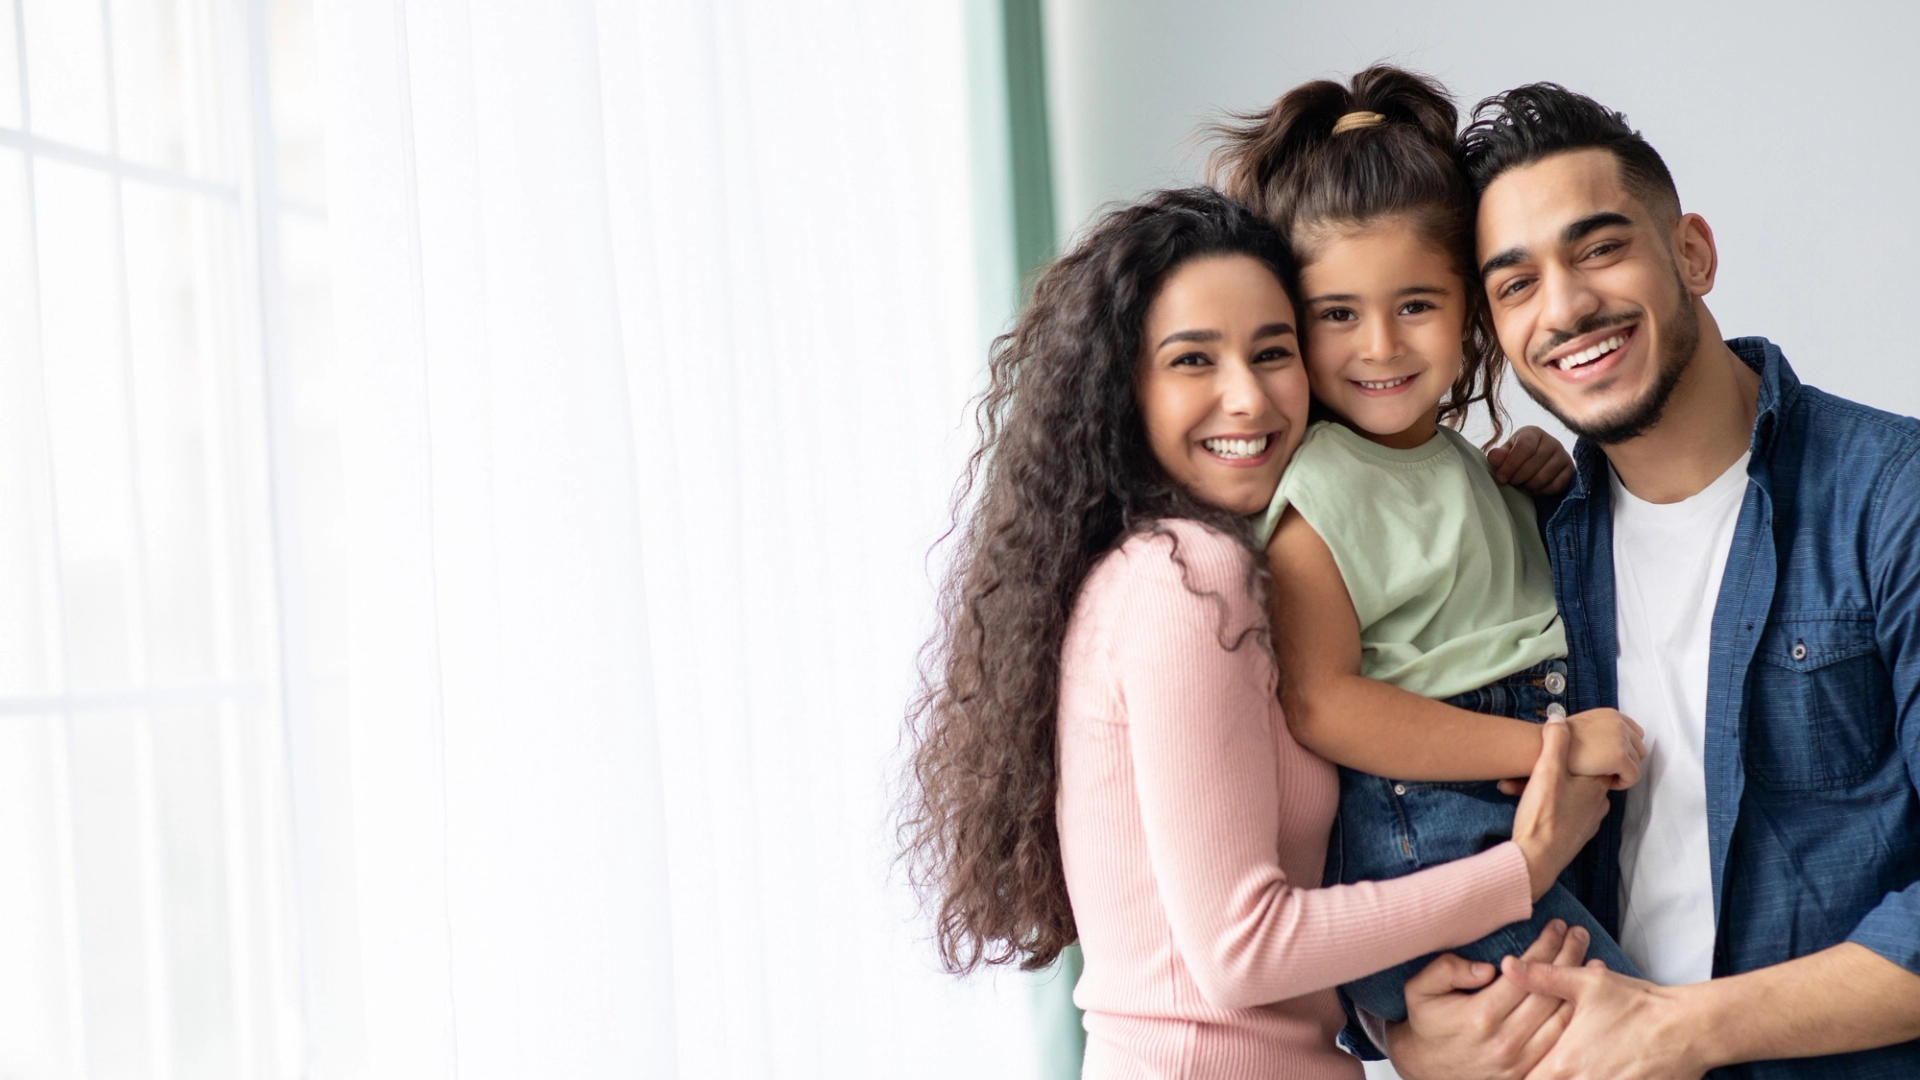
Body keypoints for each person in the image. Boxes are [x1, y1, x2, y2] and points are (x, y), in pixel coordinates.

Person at [899, 187, 1607, 1079]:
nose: (1247, 397)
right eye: (1194, 360)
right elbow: (1243, 951)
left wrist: (1402, 1022)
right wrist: (1525, 864)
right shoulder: (1187, 578)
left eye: (1273, 352)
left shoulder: (1200, 567)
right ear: (1124, 387)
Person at [1382, 83, 1920, 1080]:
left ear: (1693, 254)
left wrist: (1681, 1027)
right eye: (1516, 285)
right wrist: (1404, 1033)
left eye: (1599, 249)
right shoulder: (1520, 542)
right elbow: (1403, 813)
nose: (1568, 307)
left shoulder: (1896, 500)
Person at [1207, 66, 1648, 1026]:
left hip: (1500, 808)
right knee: (1642, 1037)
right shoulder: (1319, 484)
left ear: (1472, 315)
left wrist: (1543, 485)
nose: (1380, 346)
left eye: (1415, 305)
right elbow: (1323, 701)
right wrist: (1547, 750)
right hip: (1435, 829)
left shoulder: (1457, 462)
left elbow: (1482, 597)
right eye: (1337, 315)